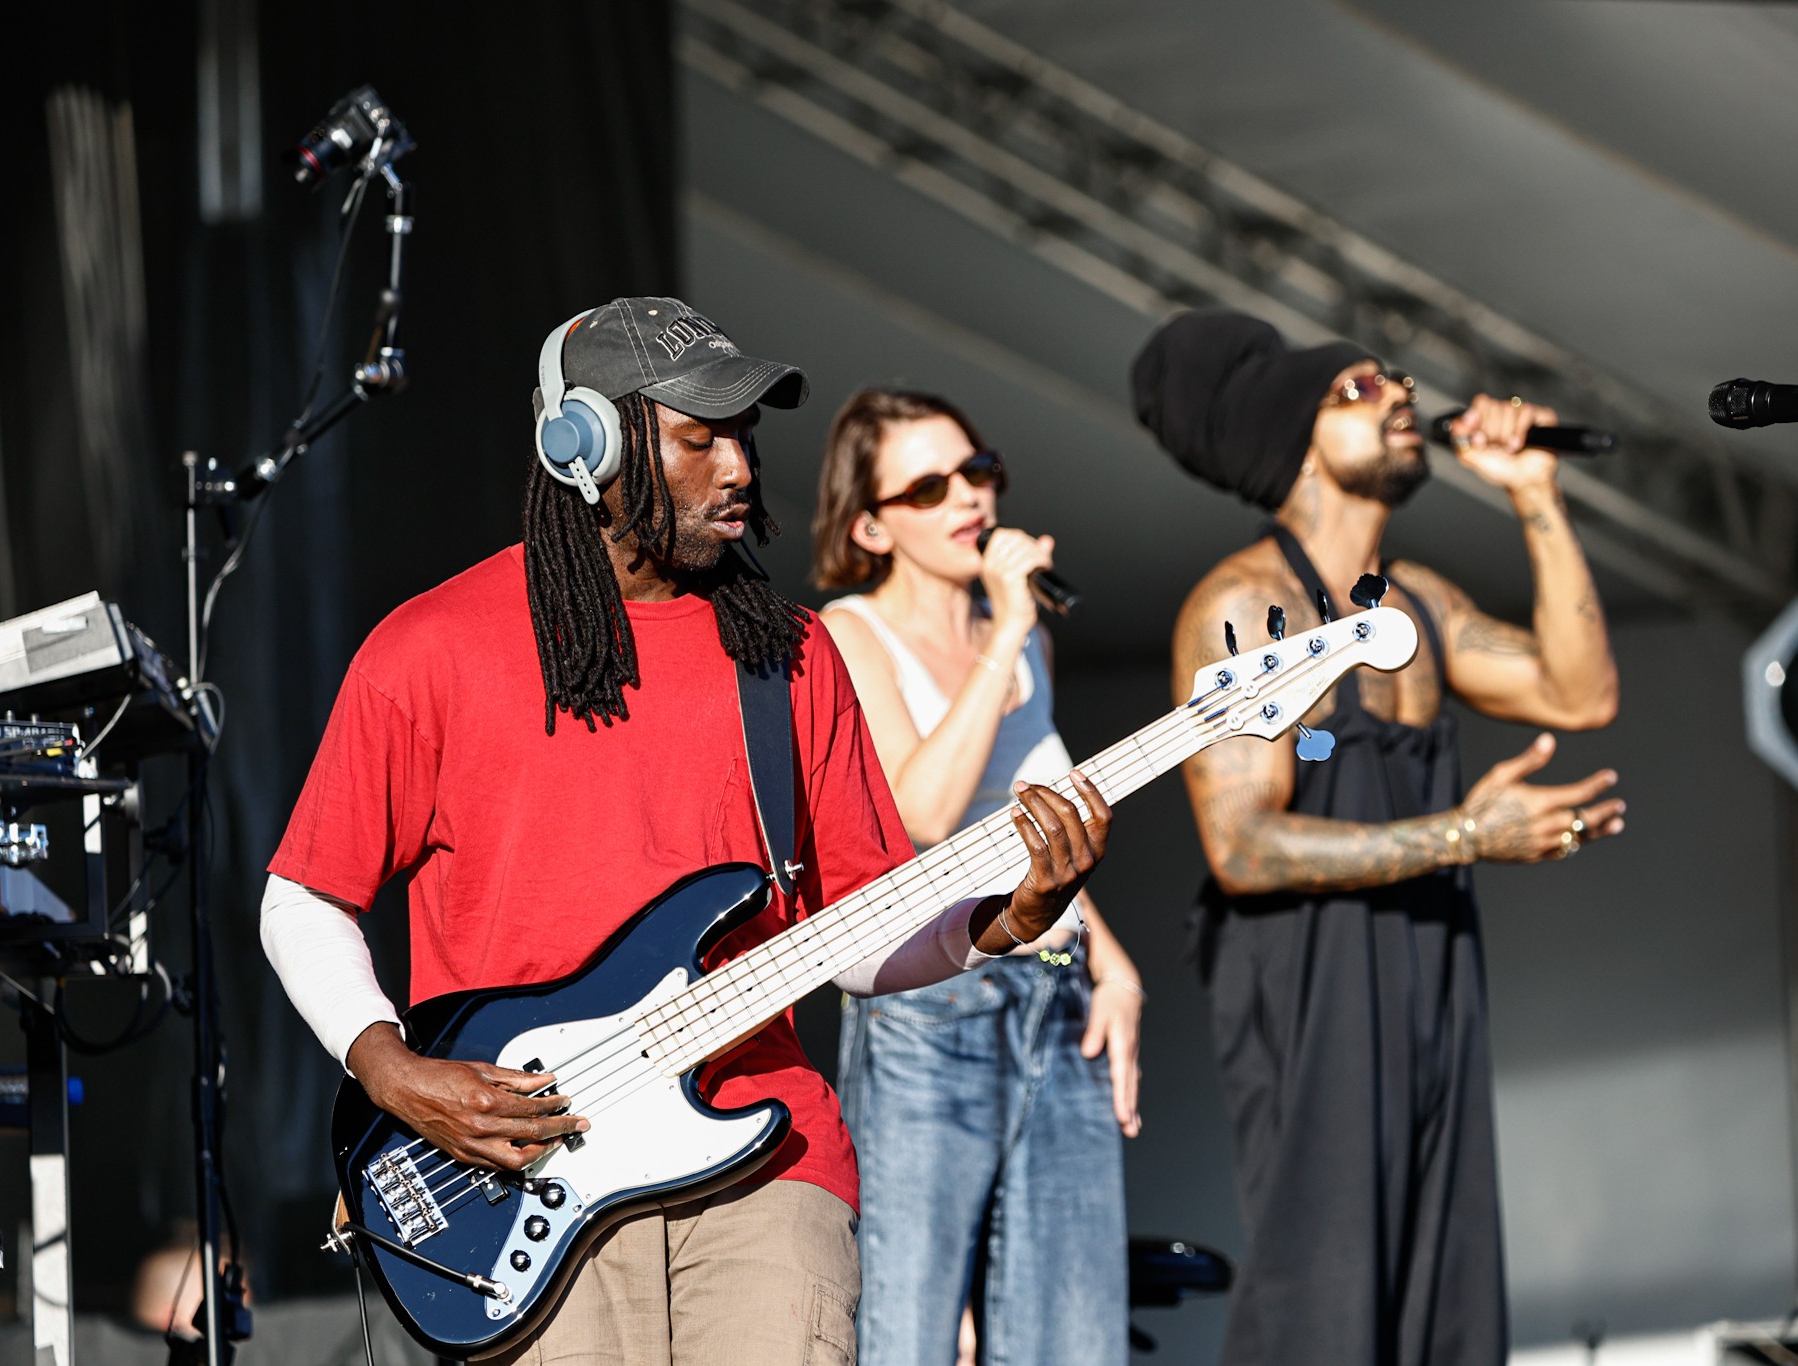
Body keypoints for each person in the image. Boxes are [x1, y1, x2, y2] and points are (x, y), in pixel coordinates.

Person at [258, 298, 1112, 1366]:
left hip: (766, 1159)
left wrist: (998, 917)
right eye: (698, 436)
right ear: (586, 445)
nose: (740, 468)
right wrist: (387, 1067)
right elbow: (303, 895)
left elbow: (856, 936)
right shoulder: (429, 648)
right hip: (528, 1176)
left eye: (744, 434)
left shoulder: (790, 654)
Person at [1131, 310, 1624, 1366]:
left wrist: (1534, 494)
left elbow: (1577, 695)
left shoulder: (1423, 604)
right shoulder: (1241, 604)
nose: (1401, 398)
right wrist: (1465, 833)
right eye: (1360, 389)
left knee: (1442, 1304)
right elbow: (1242, 845)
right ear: (1291, 438)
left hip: (1429, 976)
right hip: (1313, 993)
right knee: (1325, 1308)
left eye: (1399, 382)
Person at [811, 389, 1142, 1366]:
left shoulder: (1025, 641)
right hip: (934, 1000)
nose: (966, 497)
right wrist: (1000, 635)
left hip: (1056, 983)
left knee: (1072, 1338)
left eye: (977, 470)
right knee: (908, 1329)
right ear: (871, 523)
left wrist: (1111, 961)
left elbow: (1035, 811)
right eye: (928, 484)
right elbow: (923, 809)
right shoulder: (848, 634)